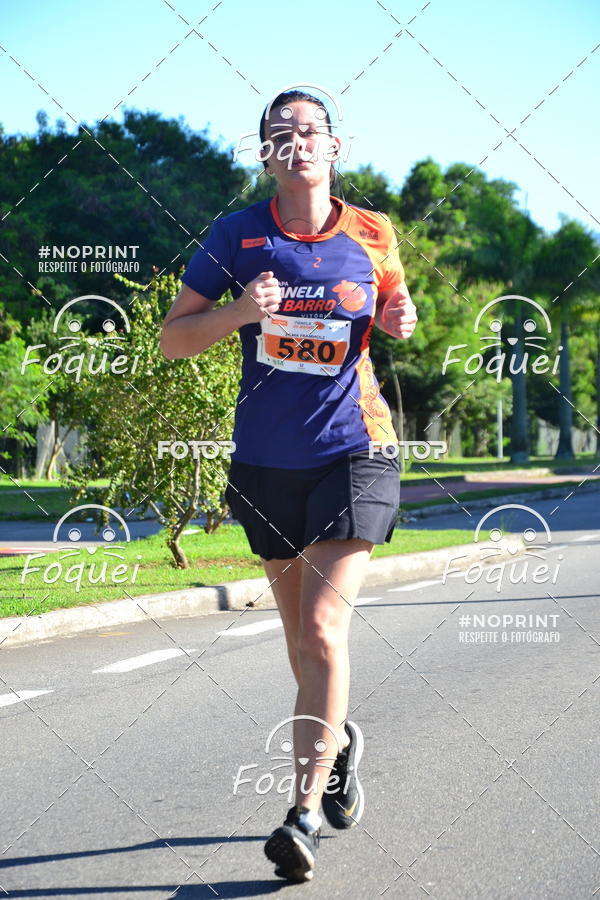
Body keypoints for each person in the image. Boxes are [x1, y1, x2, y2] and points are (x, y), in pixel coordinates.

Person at [160, 89, 418, 883]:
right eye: (282, 134)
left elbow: (392, 307)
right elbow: (173, 340)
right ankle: (337, 750)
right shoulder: (234, 235)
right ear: (266, 153)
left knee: (321, 633)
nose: (297, 143)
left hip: (356, 450)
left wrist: (403, 316)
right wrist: (240, 310)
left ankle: (301, 813)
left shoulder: (373, 232)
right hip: (268, 464)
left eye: (310, 132)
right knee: (299, 644)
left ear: (335, 145)